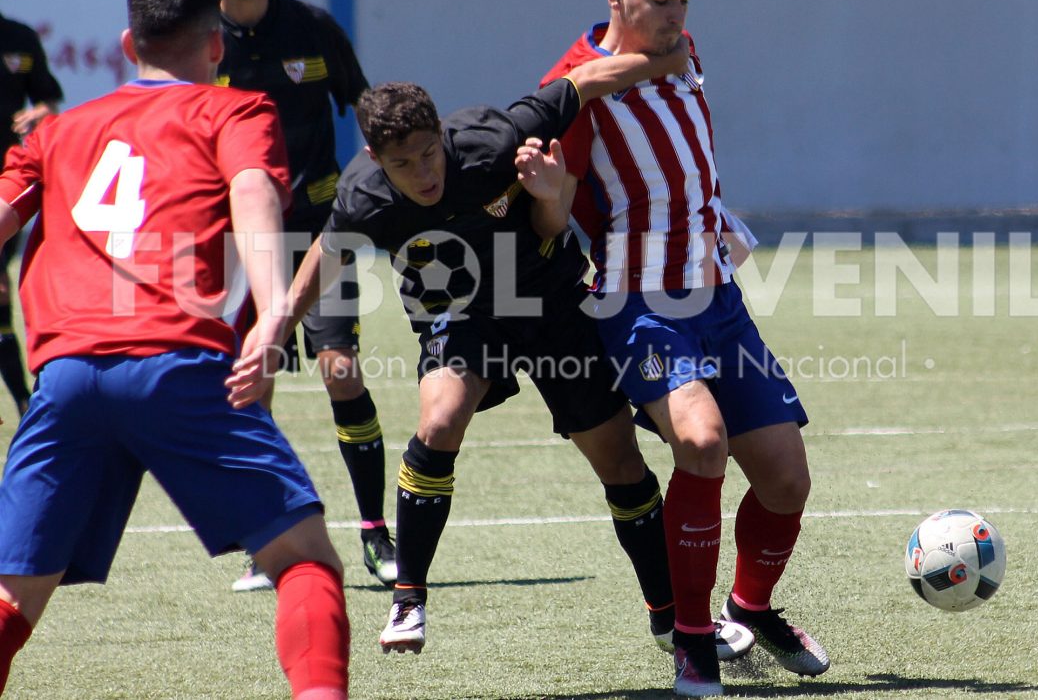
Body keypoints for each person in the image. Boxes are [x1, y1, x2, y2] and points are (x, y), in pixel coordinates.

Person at [236, 45, 753, 665]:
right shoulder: (365, 196)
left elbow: (583, 80)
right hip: (461, 315)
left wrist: (661, 59)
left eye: (430, 153)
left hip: (554, 304)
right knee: (438, 421)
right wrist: (274, 326)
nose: (424, 173)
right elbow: (327, 250)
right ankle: (408, 596)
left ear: (442, 137)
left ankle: (673, 619)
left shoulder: (492, 139)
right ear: (376, 159)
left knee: (619, 462)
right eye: (404, 164)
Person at [0, 0, 349, 698]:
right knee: (305, 558)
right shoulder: (234, 110)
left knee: (13, 598)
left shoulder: (56, 133)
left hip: (63, 381)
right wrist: (277, 309)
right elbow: (254, 192)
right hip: (177, 365)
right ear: (216, 45)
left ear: (130, 46)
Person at [541, 0, 830, 695]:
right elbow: (553, 218)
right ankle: (693, 638)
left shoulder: (685, 50)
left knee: (787, 482)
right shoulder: (571, 87)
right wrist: (544, 197)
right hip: (639, 303)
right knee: (701, 442)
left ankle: (752, 605)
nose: (676, 14)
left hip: (717, 299)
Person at [205, 0, 394, 591]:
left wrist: (376, 181)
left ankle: (375, 531)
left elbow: (368, 112)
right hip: (236, 239)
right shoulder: (202, 42)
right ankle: (268, 537)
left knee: (341, 369)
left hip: (320, 229)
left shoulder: (313, 28)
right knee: (255, 380)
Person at [0, 0, 63, 417]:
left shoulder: (20, 39)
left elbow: (48, 99)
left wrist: (41, 112)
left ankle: (25, 401)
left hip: (9, 180)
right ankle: (25, 400)